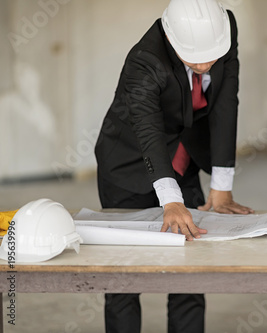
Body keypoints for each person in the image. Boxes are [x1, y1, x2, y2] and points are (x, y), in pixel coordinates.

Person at [94, 0, 253, 332]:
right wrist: (172, 200)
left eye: (212, 57)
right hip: (129, 162)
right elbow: (148, 131)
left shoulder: (225, 27)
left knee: (190, 270)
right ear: (171, 38)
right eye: (194, 60)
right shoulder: (143, 61)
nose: (205, 65)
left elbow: (226, 101)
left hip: (186, 158)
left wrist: (221, 187)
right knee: (123, 275)